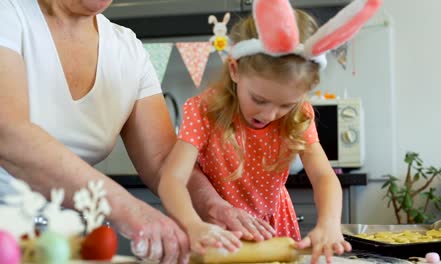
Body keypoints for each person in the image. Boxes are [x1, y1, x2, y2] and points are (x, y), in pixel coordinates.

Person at [0, 0, 274, 263]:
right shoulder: (9, 14)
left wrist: (213, 206)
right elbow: (11, 135)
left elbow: (163, 161)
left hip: (61, 243)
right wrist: (129, 210)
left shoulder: (127, 48)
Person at [158, 0, 380, 262]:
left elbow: (322, 175)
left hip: (276, 229)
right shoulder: (203, 111)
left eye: (286, 104)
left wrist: (329, 224)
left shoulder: (300, 114)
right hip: (218, 232)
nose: (269, 115)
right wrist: (193, 225)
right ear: (234, 70)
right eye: (259, 100)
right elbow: (172, 180)